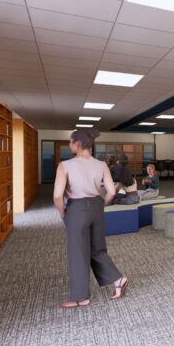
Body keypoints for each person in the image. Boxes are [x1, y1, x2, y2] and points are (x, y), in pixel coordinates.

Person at [53, 129, 128, 308]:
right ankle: (118, 279)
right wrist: (102, 204)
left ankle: (80, 297)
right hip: (96, 205)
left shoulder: (65, 165)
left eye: (71, 141)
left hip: (76, 208)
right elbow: (111, 191)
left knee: (78, 253)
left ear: (77, 144)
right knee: (98, 249)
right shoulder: (101, 164)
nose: (70, 145)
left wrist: (63, 212)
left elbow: (57, 196)